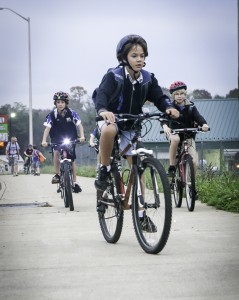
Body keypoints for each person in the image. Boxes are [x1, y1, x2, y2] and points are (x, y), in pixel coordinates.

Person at [94, 34, 179, 232]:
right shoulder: (113, 76)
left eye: (142, 55)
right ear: (124, 58)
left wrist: (168, 107)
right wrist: (104, 111)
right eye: (134, 55)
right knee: (109, 129)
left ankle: (141, 215)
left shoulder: (148, 79)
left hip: (131, 126)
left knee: (138, 167)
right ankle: (104, 169)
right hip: (111, 120)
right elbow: (102, 96)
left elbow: (159, 96)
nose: (139, 59)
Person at [162, 81, 209, 177]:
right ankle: (171, 166)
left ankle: (191, 185)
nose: (179, 96)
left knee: (194, 161)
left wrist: (204, 124)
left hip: (189, 135)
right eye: (177, 94)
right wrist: (165, 126)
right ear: (173, 96)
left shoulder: (191, 107)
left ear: (185, 94)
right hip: (174, 133)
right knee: (175, 139)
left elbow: (198, 117)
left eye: (182, 94)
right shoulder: (170, 107)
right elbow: (164, 119)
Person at [41, 91, 85, 193]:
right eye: (58, 102)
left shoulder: (72, 113)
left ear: (66, 103)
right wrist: (44, 140)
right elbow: (47, 129)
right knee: (56, 152)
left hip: (71, 137)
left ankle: (75, 183)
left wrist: (82, 136)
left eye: (62, 102)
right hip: (57, 137)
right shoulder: (51, 115)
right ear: (55, 103)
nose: (60, 104)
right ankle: (57, 174)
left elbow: (79, 125)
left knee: (72, 159)